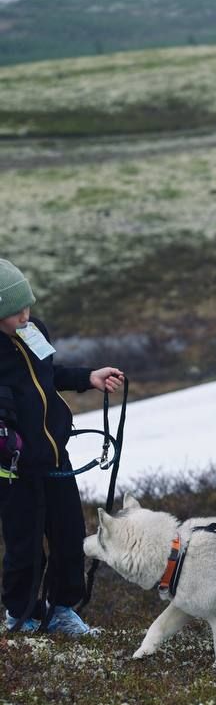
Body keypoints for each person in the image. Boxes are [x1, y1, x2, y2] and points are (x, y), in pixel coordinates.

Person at [0, 259, 125, 637]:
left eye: (28, 306)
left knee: (70, 536)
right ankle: (22, 617)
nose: (26, 315)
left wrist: (88, 377)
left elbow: (49, 374)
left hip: (55, 456)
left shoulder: (34, 330)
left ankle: (63, 610)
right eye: (15, 310)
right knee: (25, 548)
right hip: (15, 470)